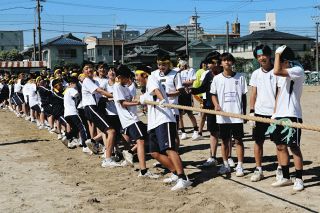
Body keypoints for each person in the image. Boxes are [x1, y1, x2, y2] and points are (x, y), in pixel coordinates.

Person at [136, 62, 192, 191]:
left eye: (137, 76)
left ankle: (183, 178)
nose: (136, 79)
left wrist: (162, 100)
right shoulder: (146, 88)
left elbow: (156, 90)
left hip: (164, 120)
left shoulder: (151, 79)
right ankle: (174, 173)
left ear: (143, 74)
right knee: (154, 152)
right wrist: (141, 100)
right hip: (154, 122)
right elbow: (144, 98)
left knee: (169, 149)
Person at [113, 65, 159, 179]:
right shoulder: (117, 87)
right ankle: (143, 171)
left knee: (147, 136)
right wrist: (139, 103)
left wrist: (138, 100)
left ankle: (129, 152)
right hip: (130, 119)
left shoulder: (124, 87)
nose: (129, 79)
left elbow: (129, 100)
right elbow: (123, 103)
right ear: (120, 77)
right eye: (127, 77)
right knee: (141, 141)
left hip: (133, 118)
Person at [271, 45, 304, 191]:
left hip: (292, 114)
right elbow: (278, 95)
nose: (276, 62)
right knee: (280, 146)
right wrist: (274, 113)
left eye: (278, 59)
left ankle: (299, 178)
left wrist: (277, 53)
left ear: (286, 60)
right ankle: (285, 177)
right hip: (279, 115)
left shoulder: (297, 70)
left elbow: (276, 70)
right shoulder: (281, 75)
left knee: (294, 147)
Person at [211, 52, 247, 176]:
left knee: (238, 140)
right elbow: (213, 94)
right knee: (225, 141)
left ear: (232, 62)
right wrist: (216, 105)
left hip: (237, 115)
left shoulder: (240, 77)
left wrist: (244, 113)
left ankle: (240, 165)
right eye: (224, 60)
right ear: (221, 63)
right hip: (223, 116)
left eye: (229, 60)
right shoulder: (217, 78)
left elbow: (243, 96)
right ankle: (225, 164)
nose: (227, 62)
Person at [249, 44, 280, 182]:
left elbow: (280, 93)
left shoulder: (277, 72)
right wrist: (251, 112)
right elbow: (253, 94)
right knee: (258, 142)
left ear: (270, 55)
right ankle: (258, 169)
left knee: (279, 143)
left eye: (264, 55)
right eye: (259, 56)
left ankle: (280, 168)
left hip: (275, 113)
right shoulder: (255, 73)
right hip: (259, 113)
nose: (262, 58)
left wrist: (276, 112)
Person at [81, 64, 121, 168]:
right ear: (83, 71)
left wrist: (115, 97)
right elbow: (99, 91)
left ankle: (96, 144)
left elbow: (102, 96)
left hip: (95, 107)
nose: (89, 69)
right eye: (86, 68)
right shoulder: (87, 81)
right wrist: (115, 95)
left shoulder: (95, 81)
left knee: (108, 131)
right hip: (91, 107)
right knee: (111, 131)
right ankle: (107, 158)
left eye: (90, 68)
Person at [190, 52, 222, 167]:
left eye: (210, 63)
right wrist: (192, 90)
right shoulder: (208, 74)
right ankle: (213, 156)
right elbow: (203, 88)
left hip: (224, 108)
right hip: (210, 106)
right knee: (213, 132)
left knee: (225, 134)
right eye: (208, 63)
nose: (208, 65)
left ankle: (228, 158)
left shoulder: (225, 73)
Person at [151, 53, 184, 149]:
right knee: (160, 133)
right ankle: (163, 154)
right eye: (159, 65)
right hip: (158, 108)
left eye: (164, 65)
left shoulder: (175, 74)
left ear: (169, 64)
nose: (161, 67)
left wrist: (166, 95)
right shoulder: (154, 74)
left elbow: (180, 91)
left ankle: (175, 152)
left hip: (172, 108)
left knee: (173, 134)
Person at [177, 60, 200, 141]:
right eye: (180, 65)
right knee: (179, 114)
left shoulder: (191, 70)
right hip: (179, 94)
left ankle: (196, 130)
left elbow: (191, 82)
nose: (181, 66)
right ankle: (183, 132)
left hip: (187, 93)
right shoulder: (177, 71)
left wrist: (182, 83)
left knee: (190, 113)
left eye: (182, 64)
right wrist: (183, 83)